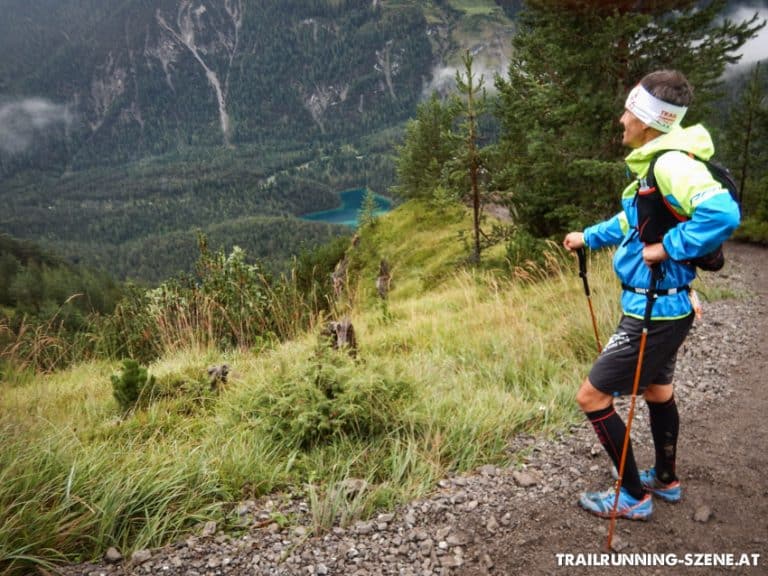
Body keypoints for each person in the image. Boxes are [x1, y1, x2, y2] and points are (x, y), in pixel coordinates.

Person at [562, 70, 740, 520]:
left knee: (591, 397)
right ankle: (665, 480)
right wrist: (588, 236)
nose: (621, 119)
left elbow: (722, 213)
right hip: (667, 306)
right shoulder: (654, 164)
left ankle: (632, 495)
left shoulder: (669, 164)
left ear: (648, 120)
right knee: (658, 390)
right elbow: (633, 223)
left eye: (629, 111)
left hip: (653, 312)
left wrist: (669, 248)